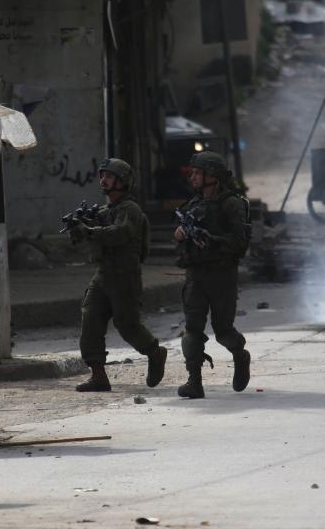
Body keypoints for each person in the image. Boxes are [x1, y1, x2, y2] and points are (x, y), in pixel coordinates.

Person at [69, 157, 168, 392]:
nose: (104, 180)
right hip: (103, 273)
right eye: (102, 175)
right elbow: (89, 236)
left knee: (127, 325)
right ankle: (98, 375)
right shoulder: (106, 210)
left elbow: (119, 233)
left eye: (110, 176)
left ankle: (155, 352)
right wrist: (79, 229)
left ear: (123, 181)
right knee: (90, 318)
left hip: (124, 276)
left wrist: (91, 231)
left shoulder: (129, 209)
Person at [173, 151, 251, 399]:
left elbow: (239, 242)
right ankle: (194, 382)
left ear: (213, 176)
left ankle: (240, 355)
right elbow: (183, 240)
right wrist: (182, 236)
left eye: (198, 172)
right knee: (192, 331)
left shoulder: (232, 204)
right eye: (192, 172)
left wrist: (213, 240)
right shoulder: (193, 204)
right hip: (196, 276)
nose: (193, 177)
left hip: (222, 276)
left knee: (223, 331)